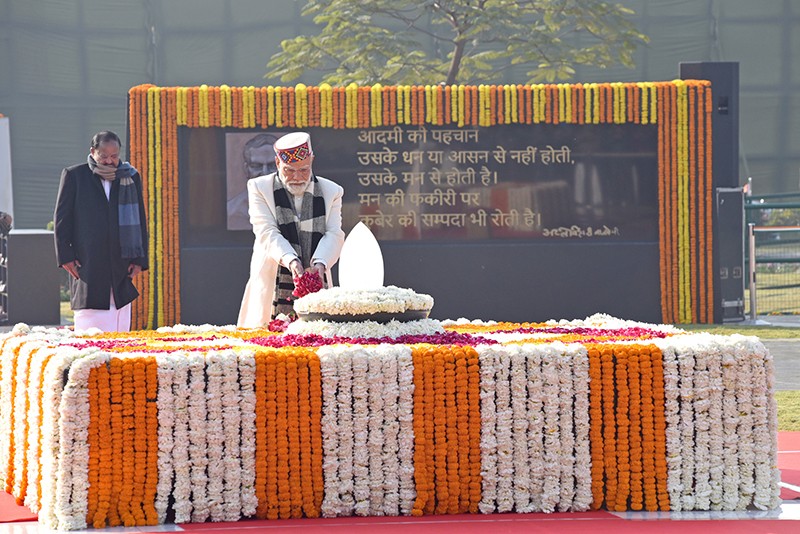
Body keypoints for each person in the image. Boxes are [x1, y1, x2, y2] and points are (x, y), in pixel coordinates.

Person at [238, 132, 345, 327]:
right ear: (278, 163)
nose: (297, 177)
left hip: (317, 275)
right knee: (266, 340)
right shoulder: (259, 187)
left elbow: (334, 234)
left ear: (312, 161)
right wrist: (292, 261)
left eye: (304, 170)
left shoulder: (332, 191)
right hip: (272, 276)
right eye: (289, 170)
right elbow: (266, 231)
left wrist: (320, 264)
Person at [53, 131, 148, 332]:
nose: (109, 161)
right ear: (92, 152)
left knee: (120, 327)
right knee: (91, 326)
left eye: (114, 156)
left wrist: (139, 259)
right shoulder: (75, 176)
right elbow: (62, 220)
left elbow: (139, 219)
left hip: (121, 260)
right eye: (103, 156)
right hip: (87, 260)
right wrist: (66, 257)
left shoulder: (130, 176)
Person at [227, 133, 280, 230]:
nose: (265, 173)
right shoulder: (233, 210)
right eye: (257, 166)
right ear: (246, 169)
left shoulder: (298, 206)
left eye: (273, 166)